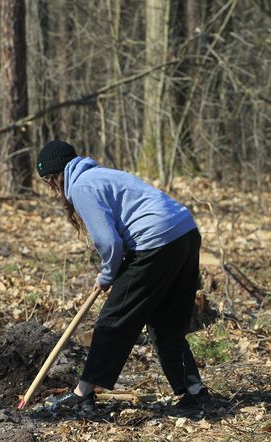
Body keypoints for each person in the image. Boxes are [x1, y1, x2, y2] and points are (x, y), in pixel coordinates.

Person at [36, 140, 211, 411]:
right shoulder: (103, 174)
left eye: (49, 181)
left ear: (57, 175)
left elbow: (109, 242)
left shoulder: (82, 186)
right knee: (166, 323)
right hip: (185, 233)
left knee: (112, 319)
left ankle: (84, 394)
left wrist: (108, 274)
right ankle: (195, 392)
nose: (51, 188)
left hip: (154, 242)